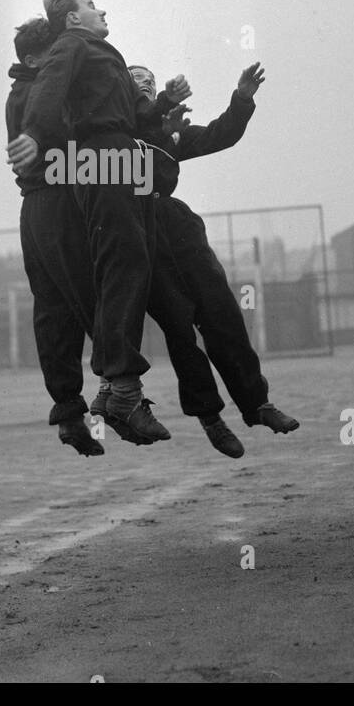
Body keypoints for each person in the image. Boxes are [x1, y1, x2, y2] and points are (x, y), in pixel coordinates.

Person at [7, 16, 243, 457]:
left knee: (56, 315)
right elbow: (95, 132)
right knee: (109, 295)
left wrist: (155, 116)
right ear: (39, 57)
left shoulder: (24, 91)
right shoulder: (53, 91)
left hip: (37, 209)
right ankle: (124, 400)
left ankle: (73, 412)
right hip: (71, 202)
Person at [124, 61, 300, 438]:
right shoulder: (117, 130)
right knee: (179, 326)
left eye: (150, 81)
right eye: (137, 80)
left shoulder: (170, 131)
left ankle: (257, 404)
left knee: (221, 312)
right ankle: (210, 417)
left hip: (177, 226)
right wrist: (160, 132)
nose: (146, 85)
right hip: (139, 231)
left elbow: (222, 135)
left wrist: (241, 99)